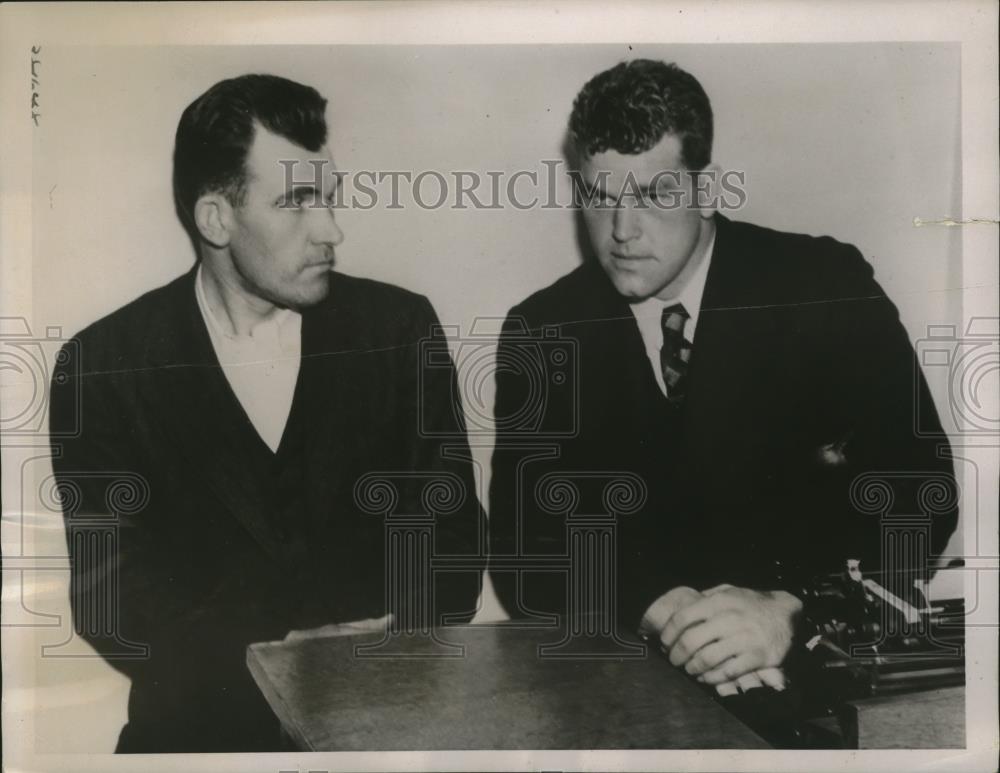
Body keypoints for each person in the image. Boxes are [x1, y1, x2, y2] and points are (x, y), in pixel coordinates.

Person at [488, 59, 957, 694]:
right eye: (600, 197)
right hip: (632, 689)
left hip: (820, 672)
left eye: (654, 195)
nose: (622, 231)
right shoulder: (542, 328)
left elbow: (919, 490)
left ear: (705, 189)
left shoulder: (822, 287)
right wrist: (667, 611)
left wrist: (791, 608)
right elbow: (527, 550)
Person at [49, 74, 483, 753]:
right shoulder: (105, 365)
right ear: (215, 218)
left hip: (388, 734)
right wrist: (274, 660)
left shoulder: (398, 330)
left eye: (329, 198)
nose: (332, 231)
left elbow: (454, 541)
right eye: (297, 202)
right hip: (199, 741)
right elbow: (110, 598)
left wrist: (376, 648)